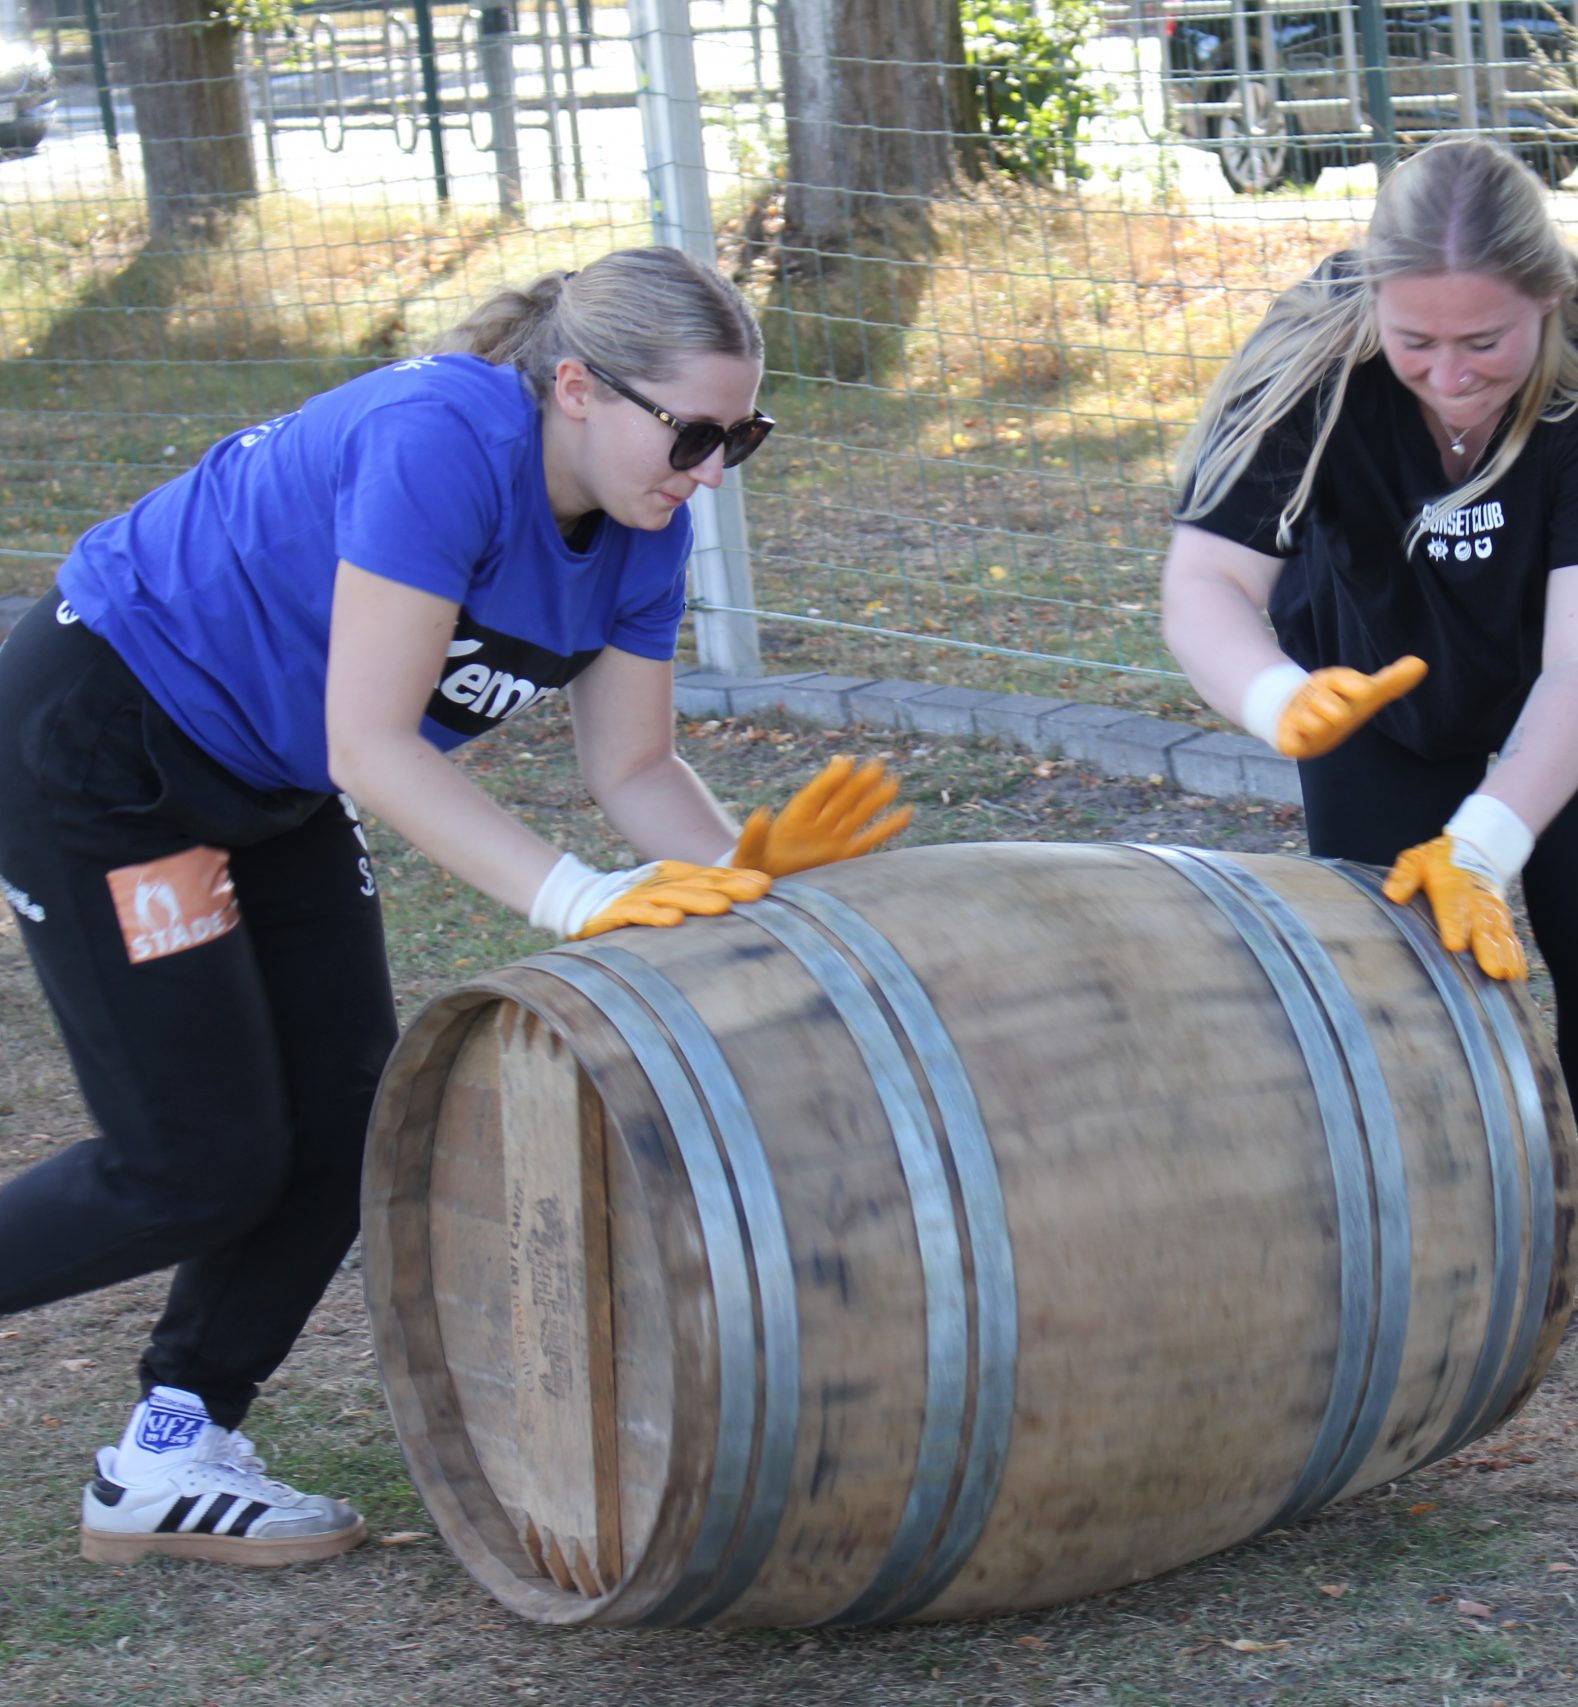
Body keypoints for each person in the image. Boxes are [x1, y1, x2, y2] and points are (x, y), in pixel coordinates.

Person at [0, 246, 908, 1567]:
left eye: (741, 437)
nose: (713, 470)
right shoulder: (440, 440)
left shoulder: (647, 522)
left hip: (273, 778)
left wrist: (759, 884)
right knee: (191, 1165)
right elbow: (372, 744)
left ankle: (171, 1449)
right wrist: (576, 895)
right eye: (694, 433)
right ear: (579, 388)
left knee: (355, 1119)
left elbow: (634, 768)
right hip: (113, 754)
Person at [1161, 136, 1578, 1340]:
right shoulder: (1309, 353)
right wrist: (1278, 699)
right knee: (1387, 950)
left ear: (1545, 300)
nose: (1450, 376)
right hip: (1371, 667)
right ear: (1374, 304)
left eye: (1484, 344)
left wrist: (1487, 842)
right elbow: (1203, 583)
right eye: (1415, 342)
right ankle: (1437, 1231)